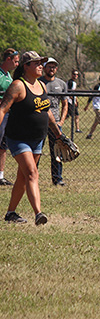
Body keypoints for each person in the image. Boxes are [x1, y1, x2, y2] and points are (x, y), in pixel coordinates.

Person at [1, 51, 64, 225]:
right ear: (25, 66)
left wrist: (58, 133)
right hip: (18, 138)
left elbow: (47, 111)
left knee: (23, 176)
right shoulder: (18, 86)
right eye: (36, 63)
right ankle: (38, 213)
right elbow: (2, 109)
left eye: (41, 63)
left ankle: (10, 213)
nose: (40, 66)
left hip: (37, 138)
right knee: (32, 173)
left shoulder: (41, 86)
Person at [39, 58, 69, 186]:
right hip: (39, 122)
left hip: (55, 123)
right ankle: (30, 176)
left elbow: (65, 104)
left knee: (57, 152)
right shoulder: (38, 82)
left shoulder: (61, 84)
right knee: (36, 151)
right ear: (44, 68)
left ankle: (57, 179)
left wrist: (61, 121)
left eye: (54, 67)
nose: (51, 69)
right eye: (49, 66)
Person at [0, 48, 20, 186]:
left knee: (2, 146)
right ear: (8, 59)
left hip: (8, 114)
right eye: (16, 61)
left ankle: (0, 176)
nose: (17, 64)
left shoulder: (8, 76)